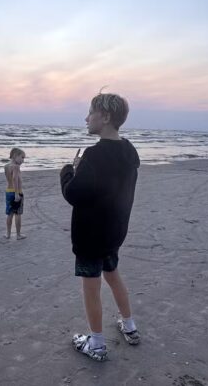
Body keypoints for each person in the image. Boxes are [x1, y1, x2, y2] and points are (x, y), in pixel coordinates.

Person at [60, 91, 141, 361]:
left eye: (90, 113)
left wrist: (69, 171)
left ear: (105, 117)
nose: (86, 118)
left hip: (90, 236)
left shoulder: (93, 157)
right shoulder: (130, 151)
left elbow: (74, 194)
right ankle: (129, 326)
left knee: (91, 285)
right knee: (113, 274)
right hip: (114, 231)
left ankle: (96, 343)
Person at [4, 148, 26, 240]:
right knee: (17, 214)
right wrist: (17, 194)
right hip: (16, 192)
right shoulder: (16, 167)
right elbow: (14, 179)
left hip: (8, 192)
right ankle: (18, 235)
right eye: (22, 157)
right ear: (15, 156)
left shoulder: (6, 166)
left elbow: (9, 179)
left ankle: (8, 234)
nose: (23, 160)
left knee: (10, 214)